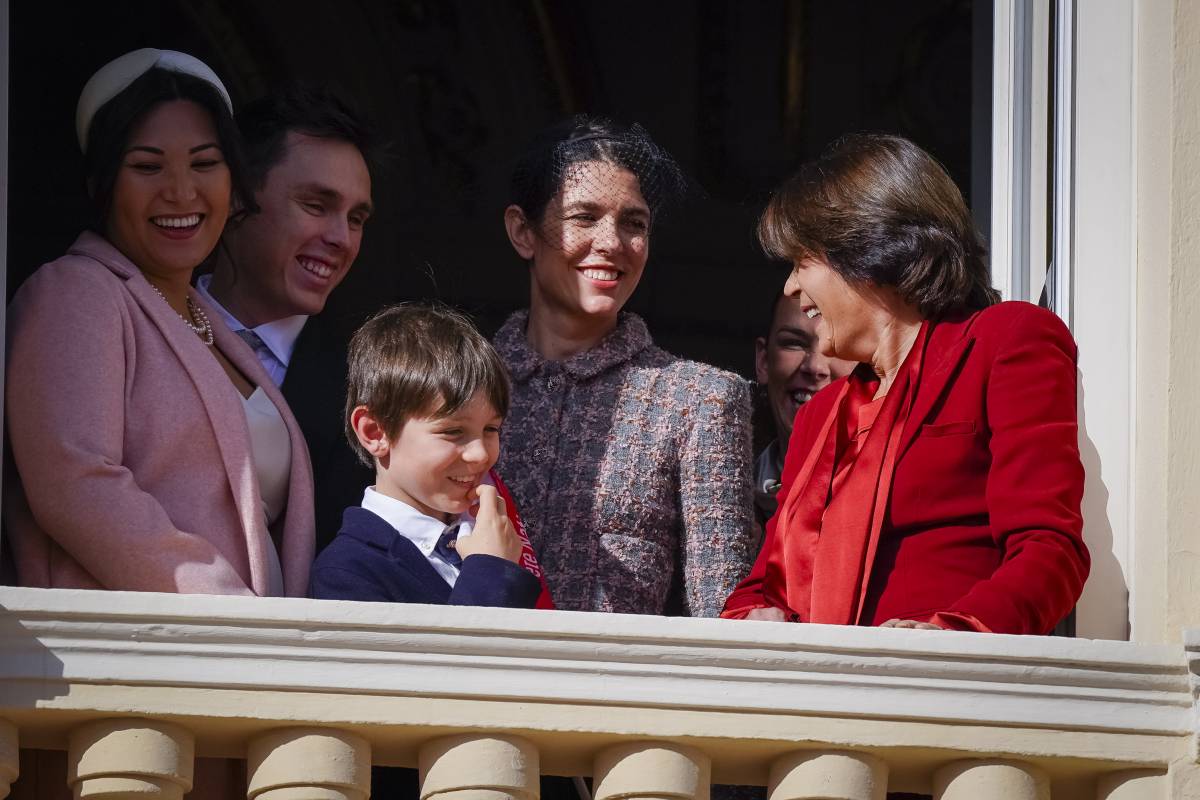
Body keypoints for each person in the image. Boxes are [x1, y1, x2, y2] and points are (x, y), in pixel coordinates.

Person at [722, 134, 1089, 635]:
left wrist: (956, 636)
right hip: (814, 693)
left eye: (802, 261)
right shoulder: (821, 414)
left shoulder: (1004, 341)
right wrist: (756, 615)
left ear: (869, 248)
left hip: (938, 691)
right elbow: (762, 584)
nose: (790, 287)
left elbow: (1049, 550)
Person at [5, 49, 314, 597]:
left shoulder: (203, 317)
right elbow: (77, 485)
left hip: (239, 658)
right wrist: (231, 615)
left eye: (204, 163)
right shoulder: (75, 292)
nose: (180, 191)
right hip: (139, 657)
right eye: (148, 166)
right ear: (102, 180)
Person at [495, 116, 756, 617]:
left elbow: (723, 618)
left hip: (622, 693)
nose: (612, 243)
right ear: (522, 231)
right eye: (584, 217)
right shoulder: (460, 383)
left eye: (634, 223)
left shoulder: (698, 401)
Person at [197, 82, 376, 552]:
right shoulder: (138, 323)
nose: (342, 238)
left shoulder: (371, 388)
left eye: (356, 219)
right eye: (316, 206)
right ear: (234, 199)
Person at [310, 304, 552, 608]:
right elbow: (459, 656)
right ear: (374, 432)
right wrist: (490, 570)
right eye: (452, 432)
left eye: (491, 428)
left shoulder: (490, 534)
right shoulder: (346, 572)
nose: (480, 454)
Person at [753, 290, 855, 526]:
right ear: (763, 361)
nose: (815, 366)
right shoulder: (726, 487)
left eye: (837, 347)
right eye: (793, 343)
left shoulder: (889, 490)